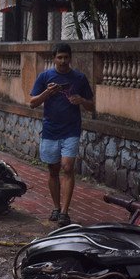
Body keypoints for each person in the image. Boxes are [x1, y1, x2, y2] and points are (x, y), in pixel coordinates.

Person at [29, 43, 94, 226]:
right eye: (60, 57)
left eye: (66, 57)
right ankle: (56, 208)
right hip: (50, 129)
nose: (63, 61)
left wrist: (81, 100)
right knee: (53, 169)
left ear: (70, 58)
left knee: (67, 167)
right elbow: (33, 103)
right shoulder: (45, 77)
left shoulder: (79, 78)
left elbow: (91, 105)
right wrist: (47, 93)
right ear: (54, 58)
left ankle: (65, 212)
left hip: (71, 129)